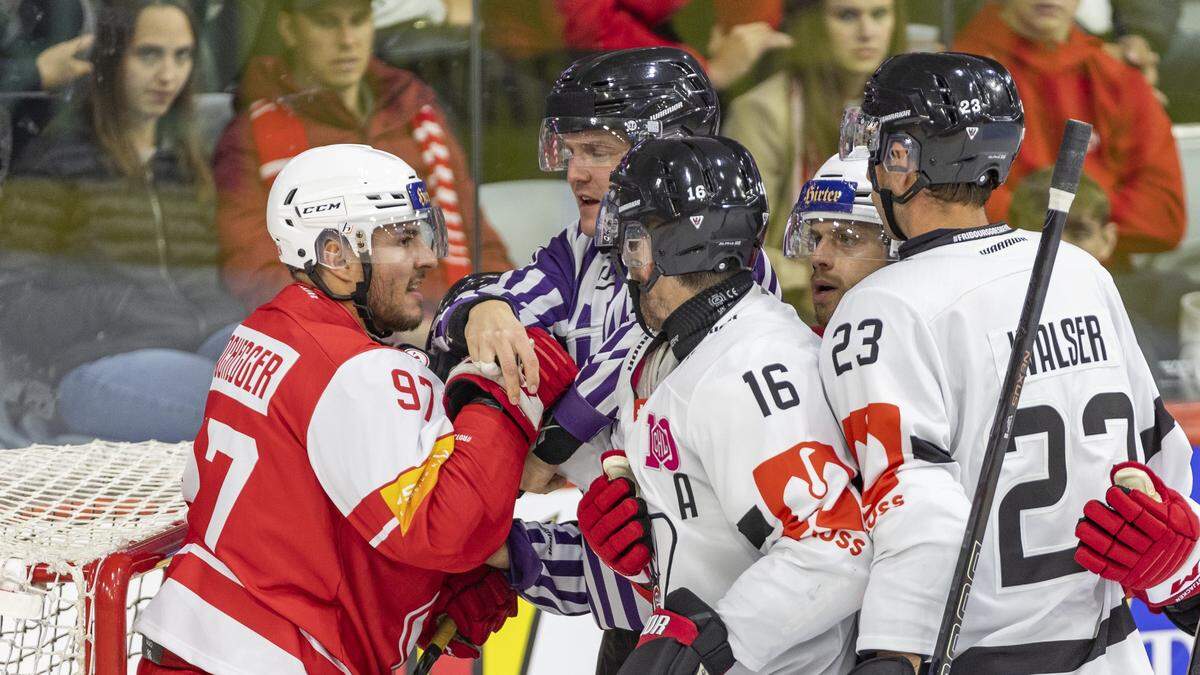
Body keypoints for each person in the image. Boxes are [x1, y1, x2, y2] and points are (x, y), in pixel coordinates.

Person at [133, 144, 580, 673]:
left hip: (192, 643)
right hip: (273, 655)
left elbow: (298, 502)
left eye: (424, 233)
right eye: (403, 239)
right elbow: (445, 532)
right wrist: (503, 394)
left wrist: (430, 590)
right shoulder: (358, 370)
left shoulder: (262, 332)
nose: (427, 258)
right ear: (335, 254)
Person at [823, 51, 1195, 674]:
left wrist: (893, 652)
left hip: (973, 658)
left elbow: (912, 510)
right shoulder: (1079, 271)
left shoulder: (880, 309)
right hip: (1116, 657)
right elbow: (1159, 462)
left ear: (904, 160)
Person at [432, 46, 779, 673]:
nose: (574, 174)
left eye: (598, 151)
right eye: (570, 151)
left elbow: (634, 360)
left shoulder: (730, 262)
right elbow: (468, 314)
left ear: (666, 152)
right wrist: (481, 311)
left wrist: (543, 452)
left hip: (735, 607)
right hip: (633, 604)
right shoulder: (582, 250)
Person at [574, 135, 870, 674]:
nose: (625, 263)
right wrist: (646, 554)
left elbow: (835, 549)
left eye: (636, 244)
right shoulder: (662, 352)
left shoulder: (757, 365)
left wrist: (704, 645)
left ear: (680, 247)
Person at [0, 0, 244, 443]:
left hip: (194, 340)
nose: (168, 74)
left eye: (182, 55)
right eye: (149, 54)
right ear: (111, 57)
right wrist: (107, 304)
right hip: (96, 364)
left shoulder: (183, 163)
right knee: (248, 415)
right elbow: (11, 304)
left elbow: (204, 282)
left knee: (298, 379)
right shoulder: (58, 162)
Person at [213, 0, 512, 321]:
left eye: (358, 20)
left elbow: (482, 242)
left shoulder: (417, 113)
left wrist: (495, 308)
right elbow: (253, 270)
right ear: (289, 28)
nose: (347, 39)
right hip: (342, 339)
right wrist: (378, 330)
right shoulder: (252, 134)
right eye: (327, 23)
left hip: (454, 320)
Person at [953, 0, 1186, 266]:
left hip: (1102, 274)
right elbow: (960, 205)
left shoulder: (1116, 76)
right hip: (994, 271)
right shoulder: (957, 75)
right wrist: (1085, 225)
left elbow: (1163, 216)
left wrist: (1035, 217)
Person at [724, 0, 905, 320]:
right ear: (813, 24)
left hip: (887, 298)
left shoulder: (905, 110)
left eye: (879, 14)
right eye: (847, 16)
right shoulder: (763, 111)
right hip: (791, 308)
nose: (867, 32)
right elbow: (736, 246)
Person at [1008, 168, 1198, 394]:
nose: (1061, 250)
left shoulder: (1170, 302)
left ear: (1108, 238)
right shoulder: (984, 323)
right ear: (1014, 241)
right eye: (1041, 238)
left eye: (1078, 234)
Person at [781, 148, 895, 331]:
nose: (817, 258)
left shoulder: (934, 345)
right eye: (816, 239)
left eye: (846, 239)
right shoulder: (794, 351)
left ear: (897, 252)